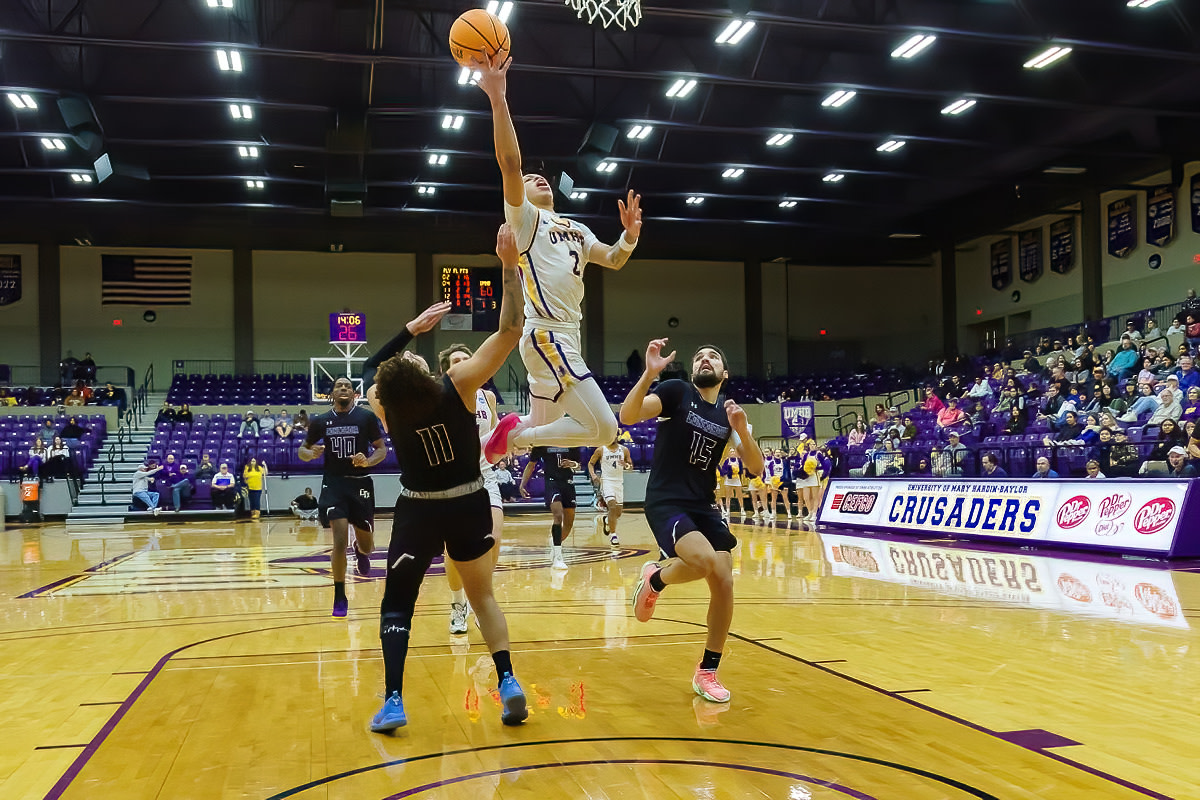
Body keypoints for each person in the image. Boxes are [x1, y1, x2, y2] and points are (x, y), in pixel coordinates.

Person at [363, 231, 528, 733]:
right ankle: (508, 682)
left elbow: (372, 367)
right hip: (468, 501)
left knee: (398, 602)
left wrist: (407, 332)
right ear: (421, 373)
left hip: (419, 509)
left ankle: (394, 699)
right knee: (483, 597)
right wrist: (507, 266)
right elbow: (510, 328)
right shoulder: (458, 386)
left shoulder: (384, 405)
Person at [474, 52, 640, 463]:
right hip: (546, 332)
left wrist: (630, 236)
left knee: (542, 422)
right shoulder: (526, 221)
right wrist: (498, 98)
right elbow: (510, 165)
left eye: (541, 177)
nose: (537, 178)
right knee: (604, 429)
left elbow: (614, 259)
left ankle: (516, 431)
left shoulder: (577, 228)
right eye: (531, 180)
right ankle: (516, 441)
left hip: (569, 336)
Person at [621, 339, 764, 704]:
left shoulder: (729, 415)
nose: (705, 359)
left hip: (702, 503)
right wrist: (649, 375)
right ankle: (655, 578)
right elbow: (628, 415)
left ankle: (708, 671)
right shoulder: (676, 391)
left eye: (713, 356)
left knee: (725, 578)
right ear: (693, 368)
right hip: (667, 500)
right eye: (699, 356)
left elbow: (756, 467)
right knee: (703, 561)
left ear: (723, 373)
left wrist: (743, 431)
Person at [299, 377, 387, 617]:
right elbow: (302, 450)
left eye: (348, 385)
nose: (344, 388)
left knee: (368, 546)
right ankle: (340, 594)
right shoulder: (321, 421)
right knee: (339, 540)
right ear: (332, 394)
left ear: (354, 393)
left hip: (360, 485)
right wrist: (310, 452)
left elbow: (382, 449)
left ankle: (361, 549)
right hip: (334, 485)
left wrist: (367, 461)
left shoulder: (366, 417)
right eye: (339, 385)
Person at [439, 339, 509, 635]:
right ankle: (458, 604)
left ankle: (480, 601)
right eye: (455, 361)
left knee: (492, 543)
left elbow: (494, 439)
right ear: (446, 371)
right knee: (454, 553)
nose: (462, 365)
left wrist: (508, 443)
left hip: (484, 476)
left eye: (466, 360)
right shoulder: (439, 398)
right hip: (450, 482)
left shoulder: (488, 398)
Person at [520, 445, 581, 570]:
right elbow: (531, 464)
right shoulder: (542, 440)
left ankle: (554, 542)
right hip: (551, 482)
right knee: (558, 516)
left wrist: (572, 464)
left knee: (569, 524)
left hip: (568, 483)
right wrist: (522, 484)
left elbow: (579, 465)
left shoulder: (571, 439)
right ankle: (558, 557)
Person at [589, 435, 633, 547]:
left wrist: (626, 465)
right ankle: (613, 535)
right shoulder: (601, 449)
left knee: (617, 513)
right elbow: (591, 463)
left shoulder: (624, 450)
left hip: (619, 482)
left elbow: (631, 466)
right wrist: (594, 475)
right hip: (607, 482)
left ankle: (607, 520)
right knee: (612, 507)